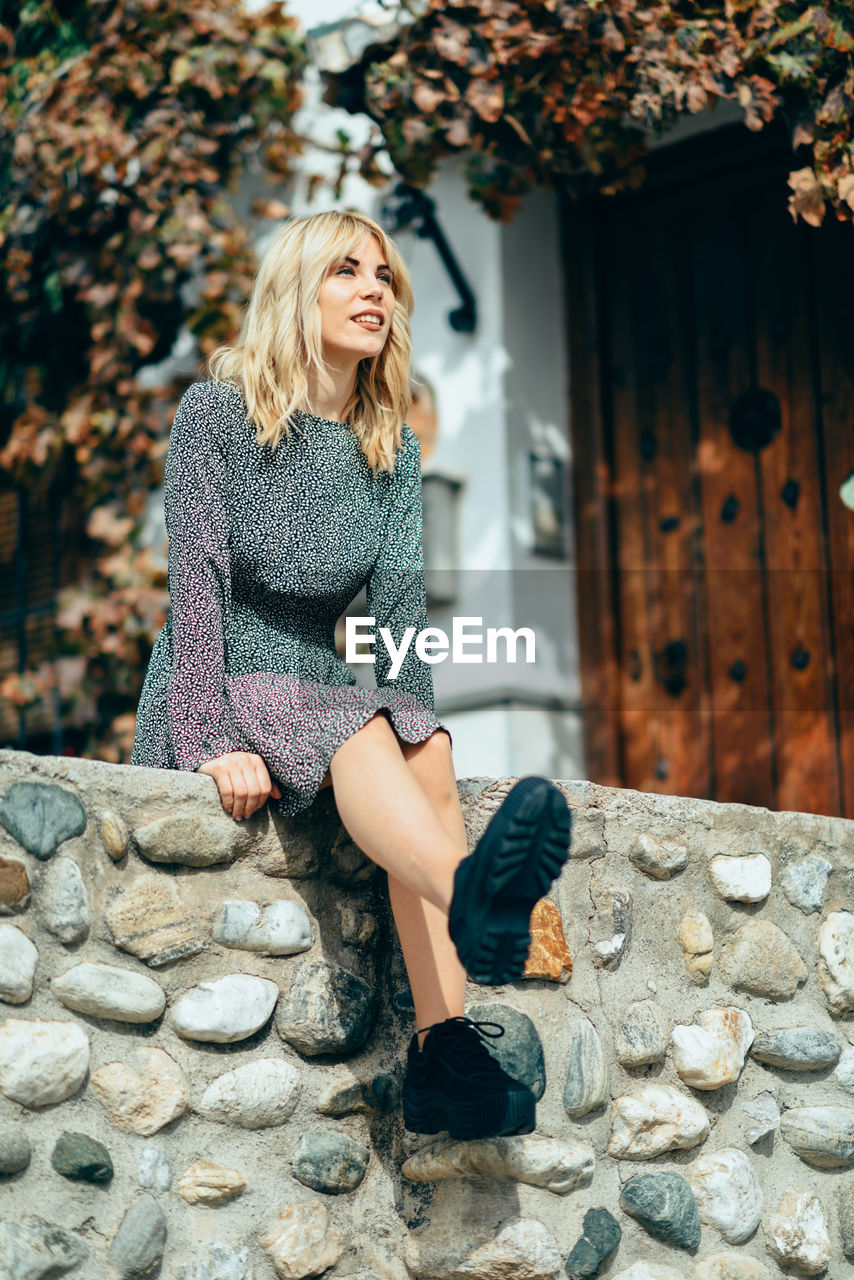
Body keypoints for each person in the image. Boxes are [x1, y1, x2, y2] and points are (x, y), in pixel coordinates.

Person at [131, 209, 572, 1140]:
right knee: (364, 725)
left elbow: (401, 621)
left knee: (424, 744)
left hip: (320, 686)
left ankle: (443, 1057)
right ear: (299, 290)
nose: (374, 289)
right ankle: (478, 899)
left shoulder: (392, 449)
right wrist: (211, 741)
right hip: (223, 673)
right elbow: (198, 586)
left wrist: (423, 735)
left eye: (383, 275)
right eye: (347, 271)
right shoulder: (217, 413)